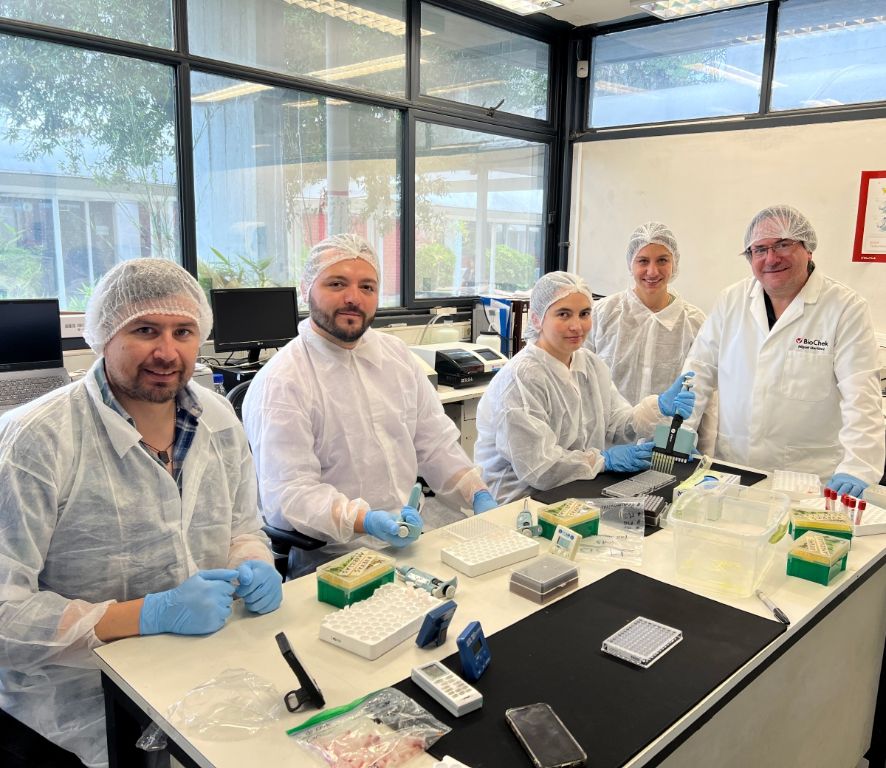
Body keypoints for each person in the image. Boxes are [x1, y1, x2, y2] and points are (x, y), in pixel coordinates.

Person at [0, 259, 281, 768]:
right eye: (145, 330)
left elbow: (241, 525)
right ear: (103, 335)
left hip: (202, 671)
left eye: (183, 332)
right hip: (74, 699)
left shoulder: (217, 418)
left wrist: (253, 560)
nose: (167, 352)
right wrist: (147, 613)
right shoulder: (36, 440)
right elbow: (5, 612)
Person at [242, 234, 497, 576]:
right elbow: (290, 494)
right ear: (307, 289)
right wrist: (365, 520)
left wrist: (476, 492)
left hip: (410, 541)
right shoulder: (283, 381)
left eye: (367, 287)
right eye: (337, 283)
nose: (353, 298)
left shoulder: (396, 357)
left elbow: (434, 445)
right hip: (333, 561)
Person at [684, 205, 885, 496]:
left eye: (782, 244)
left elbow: (861, 396)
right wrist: (682, 432)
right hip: (734, 468)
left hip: (809, 479)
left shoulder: (845, 308)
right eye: (759, 249)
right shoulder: (731, 301)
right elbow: (698, 373)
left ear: (808, 248)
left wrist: (859, 466)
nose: (771, 258)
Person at [474, 271, 696, 503]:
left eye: (584, 314)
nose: (577, 326)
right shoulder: (521, 379)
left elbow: (618, 422)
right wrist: (604, 460)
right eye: (563, 314)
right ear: (537, 319)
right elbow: (539, 467)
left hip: (575, 489)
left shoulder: (590, 364)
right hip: (520, 502)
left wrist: (659, 407)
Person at [585, 222, 717, 454]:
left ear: (674, 263)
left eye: (662, 260)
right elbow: (582, 380)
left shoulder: (695, 322)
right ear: (631, 263)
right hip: (608, 450)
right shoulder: (602, 314)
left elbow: (707, 396)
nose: (653, 271)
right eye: (643, 261)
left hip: (667, 451)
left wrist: (706, 456)